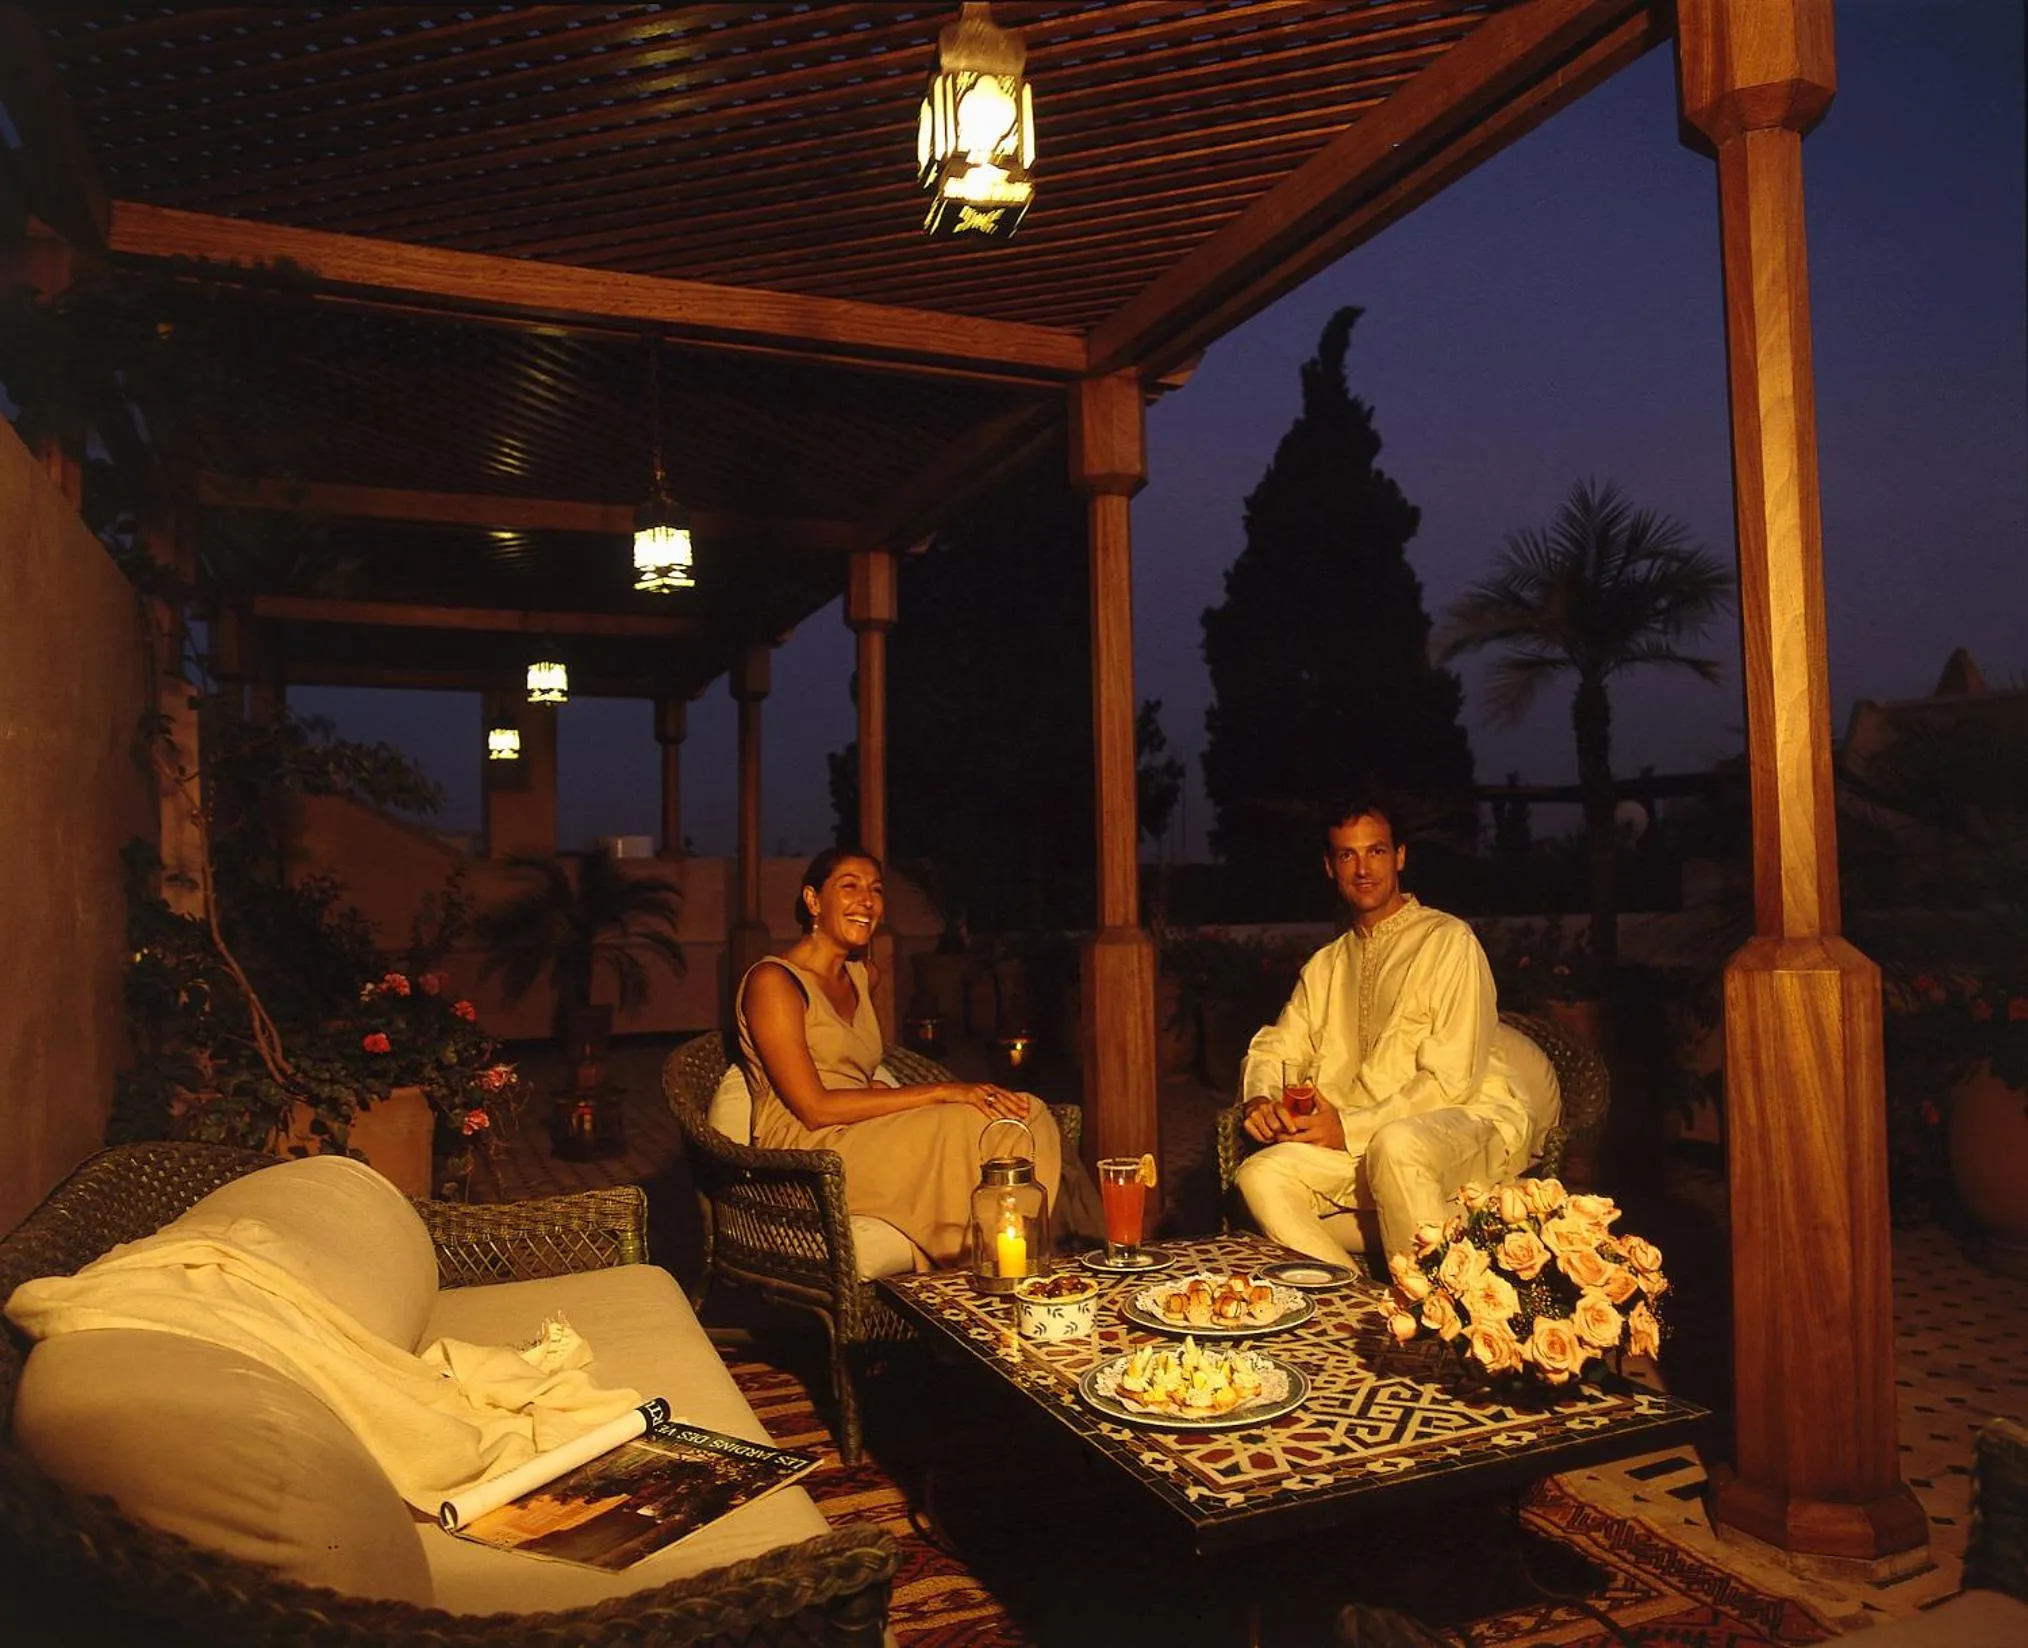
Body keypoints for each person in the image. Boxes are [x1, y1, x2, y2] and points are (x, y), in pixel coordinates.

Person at [1232, 795, 1560, 1269]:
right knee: (1259, 1175)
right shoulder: (1326, 965)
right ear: (1330, 867)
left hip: (1460, 1123)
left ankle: (1434, 1300)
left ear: (1400, 856)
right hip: (1355, 1141)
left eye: (1376, 851)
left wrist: (1348, 1128)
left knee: (1396, 1144)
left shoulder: (1448, 941)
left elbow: (1452, 1081)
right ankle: (1355, 1299)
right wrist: (1260, 1099)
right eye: (1348, 855)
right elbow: (1278, 1045)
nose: (1363, 869)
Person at [736, 846, 1072, 1268]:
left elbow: (845, 1065)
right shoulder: (773, 982)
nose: (866, 901)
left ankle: (1017, 1260)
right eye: (849, 887)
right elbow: (815, 1107)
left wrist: (877, 1091)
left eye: (876, 890)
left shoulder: (862, 976)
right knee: (968, 1122)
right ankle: (992, 1266)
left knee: (1022, 1113)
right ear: (813, 900)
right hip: (808, 1147)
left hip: (858, 1127)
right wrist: (942, 1092)